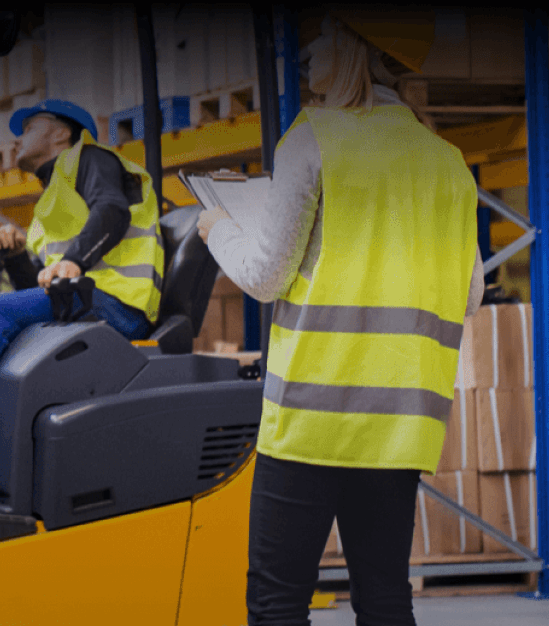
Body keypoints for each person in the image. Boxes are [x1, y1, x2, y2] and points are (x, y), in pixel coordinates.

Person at [196, 9, 486, 626]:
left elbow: (266, 275)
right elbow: (471, 295)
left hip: (313, 416)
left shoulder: (315, 138)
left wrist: (218, 228)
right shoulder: (448, 162)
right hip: (400, 423)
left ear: (357, 47)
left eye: (322, 35)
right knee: (385, 600)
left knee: (277, 603)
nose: (308, 52)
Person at [0, 99, 166, 502]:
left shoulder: (93, 161)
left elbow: (113, 212)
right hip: (80, 300)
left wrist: (75, 262)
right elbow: (39, 288)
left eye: (28, 127)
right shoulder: (51, 199)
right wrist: (14, 256)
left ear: (61, 133)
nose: (18, 136)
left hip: (117, 304)